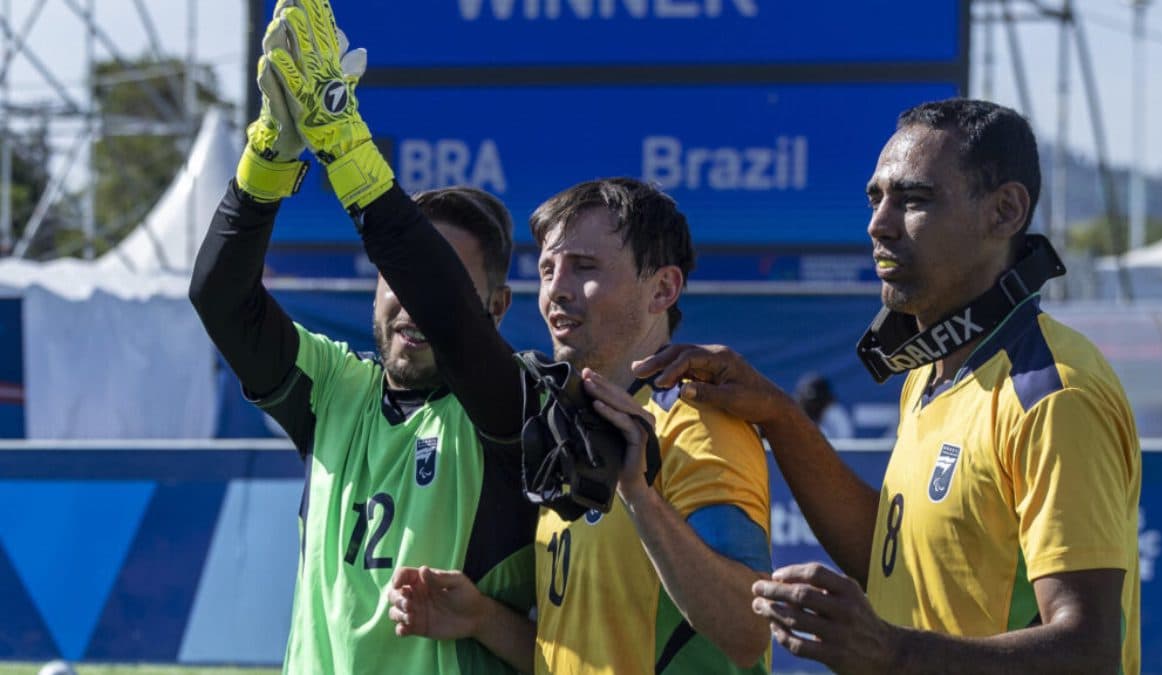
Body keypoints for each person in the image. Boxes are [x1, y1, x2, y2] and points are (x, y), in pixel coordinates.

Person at [634, 99, 1141, 674]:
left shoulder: (1054, 394)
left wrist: (892, 652)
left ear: (1004, 211)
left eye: (914, 200)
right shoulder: (930, 373)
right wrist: (778, 415)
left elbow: (1089, 652)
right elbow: (894, 560)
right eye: (875, 198)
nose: (879, 224)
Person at [189, 1, 536, 671]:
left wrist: (345, 140)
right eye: (392, 279)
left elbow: (448, 315)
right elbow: (219, 298)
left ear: (496, 307)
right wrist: (271, 154)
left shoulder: (512, 406)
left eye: (431, 282)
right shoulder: (335, 388)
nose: (410, 302)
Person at [388, 178, 774, 674]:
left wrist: (638, 497)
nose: (557, 289)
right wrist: (481, 619)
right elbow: (582, 655)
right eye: (548, 270)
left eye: (584, 267)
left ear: (662, 289)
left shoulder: (698, 422)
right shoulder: (571, 431)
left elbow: (747, 631)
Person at [792, 372, 854, 438]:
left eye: (816, 401)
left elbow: (846, 439)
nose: (813, 405)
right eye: (809, 401)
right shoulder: (796, 414)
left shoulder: (834, 413)